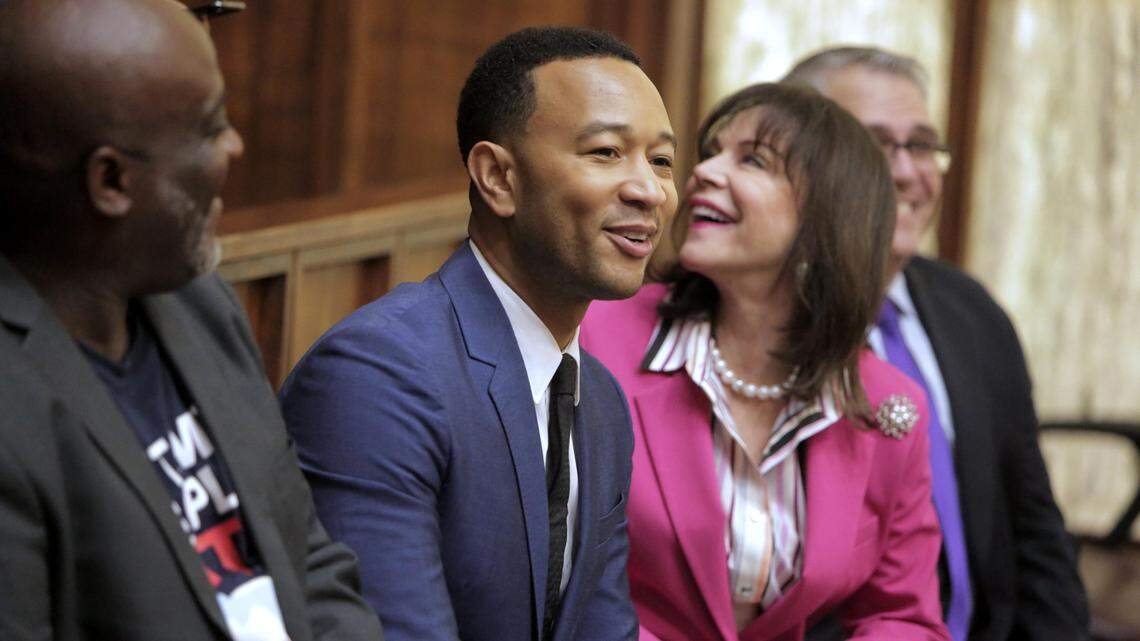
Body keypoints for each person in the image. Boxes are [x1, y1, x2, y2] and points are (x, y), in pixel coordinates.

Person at [279, 26, 678, 641]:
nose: (648, 190)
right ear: (497, 177)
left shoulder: (600, 399)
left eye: (661, 161)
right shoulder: (378, 373)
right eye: (605, 152)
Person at [0, 1, 384, 640]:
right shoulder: (13, 407)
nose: (235, 146)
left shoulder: (200, 304)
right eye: (210, 129)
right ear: (111, 181)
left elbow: (309, 561)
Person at [581, 82, 950, 641]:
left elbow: (900, 615)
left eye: (752, 160)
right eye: (710, 153)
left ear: (830, 216)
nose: (702, 172)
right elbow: (547, 569)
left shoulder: (888, 405)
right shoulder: (594, 338)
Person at [783, 47, 1089, 641]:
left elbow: (1035, 532)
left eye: (921, 145)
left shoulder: (972, 312)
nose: (904, 172)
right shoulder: (758, 323)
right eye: (874, 144)